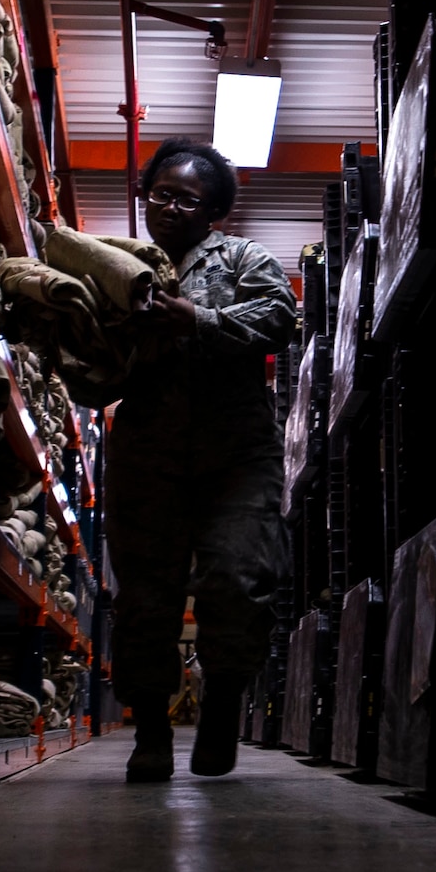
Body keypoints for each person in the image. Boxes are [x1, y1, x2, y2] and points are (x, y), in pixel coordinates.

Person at [107, 138, 297, 782]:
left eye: (189, 199)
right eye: (161, 194)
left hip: (236, 454)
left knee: (239, 580)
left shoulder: (243, 258)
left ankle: (221, 709)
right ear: (144, 195)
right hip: (148, 453)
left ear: (212, 209)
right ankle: (152, 732)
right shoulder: (119, 266)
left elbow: (277, 316)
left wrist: (195, 318)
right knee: (145, 598)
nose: (172, 208)